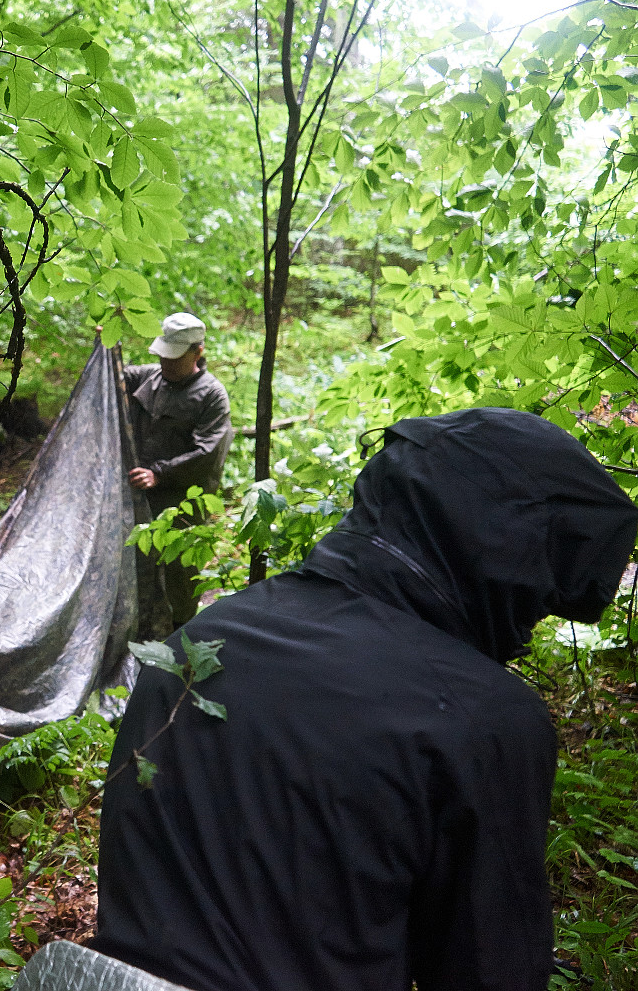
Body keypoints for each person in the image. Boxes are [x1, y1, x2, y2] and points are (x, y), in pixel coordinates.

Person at [90, 408, 638, 991]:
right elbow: (490, 969)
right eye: (537, 597)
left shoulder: (196, 644)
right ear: (503, 557)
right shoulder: (480, 715)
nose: (527, 629)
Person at [124, 312, 232, 626]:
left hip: (183, 507)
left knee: (181, 580)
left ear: (197, 352)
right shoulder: (149, 377)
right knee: (140, 574)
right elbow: (112, 375)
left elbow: (207, 454)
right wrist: (104, 347)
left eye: (174, 358)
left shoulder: (212, 395)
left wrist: (159, 473)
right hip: (141, 502)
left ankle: (181, 644)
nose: (165, 364)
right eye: (162, 356)